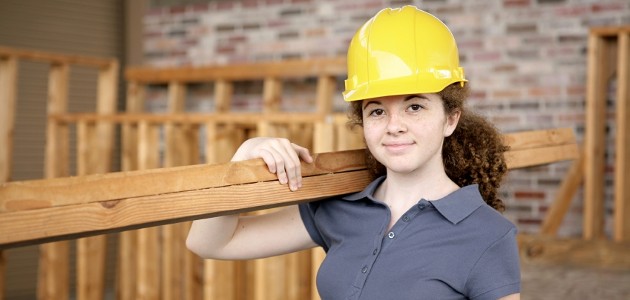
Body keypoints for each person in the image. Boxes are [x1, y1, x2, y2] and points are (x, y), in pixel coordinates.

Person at [187, 5, 521, 300]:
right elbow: (210, 243)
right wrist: (244, 154)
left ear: (450, 119)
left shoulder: (487, 235)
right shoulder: (339, 210)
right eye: (377, 111)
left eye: (414, 107)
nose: (394, 126)